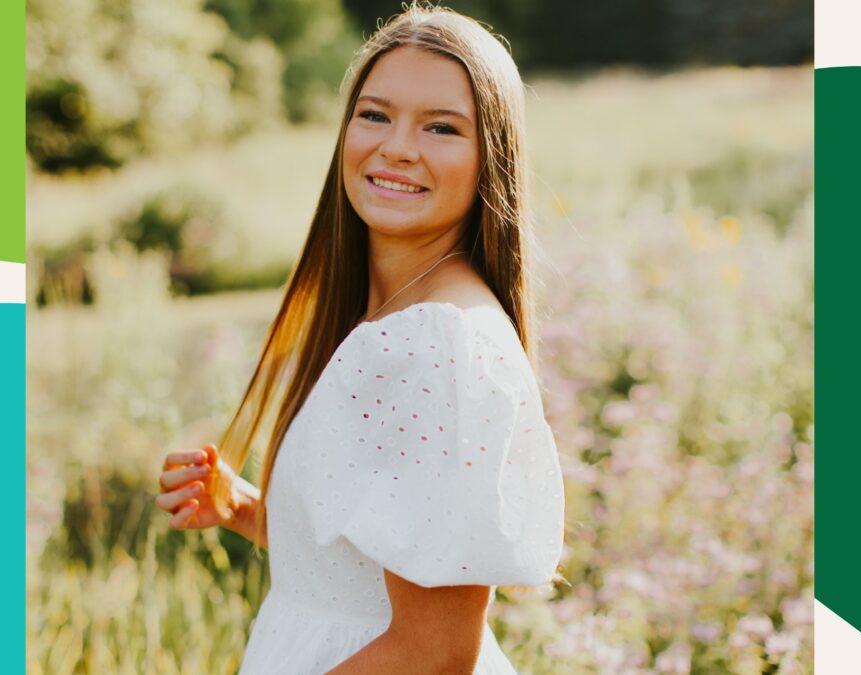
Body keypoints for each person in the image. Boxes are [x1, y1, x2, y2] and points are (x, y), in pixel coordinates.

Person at [156, 4, 565, 673]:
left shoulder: (436, 344)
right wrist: (248, 509)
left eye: (441, 127)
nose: (398, 145)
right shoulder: (393, 320)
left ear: (492, 156)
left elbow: (433, 653)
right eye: (375, 114)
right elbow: (364, 571)